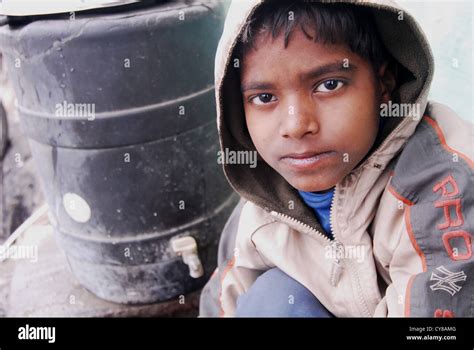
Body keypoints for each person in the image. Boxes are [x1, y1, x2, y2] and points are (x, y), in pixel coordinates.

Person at [199, 0, 473, 317]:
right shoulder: (263, 208)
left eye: (329, 85)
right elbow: (221, 303)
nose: (296, 125)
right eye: (264, 98)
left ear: (384, 85)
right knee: (274, 299)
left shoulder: (441, 188)